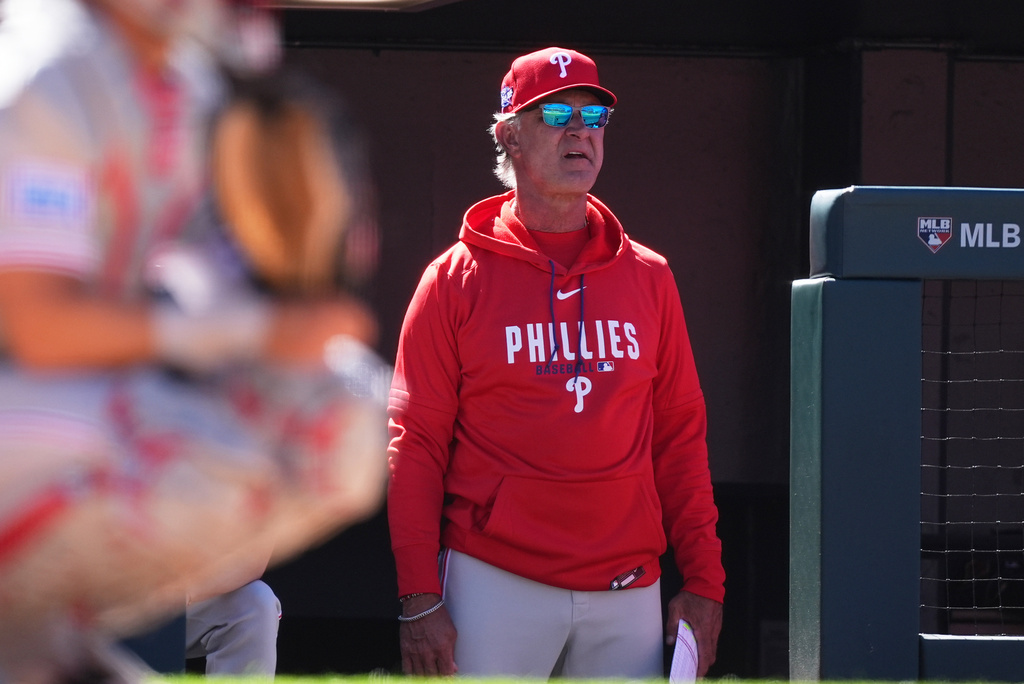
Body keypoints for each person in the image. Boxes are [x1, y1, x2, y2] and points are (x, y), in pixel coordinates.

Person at [0, 0, 388, 681]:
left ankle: (50, 639)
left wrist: (295, 279)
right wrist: (250, 328)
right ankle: (28, 643)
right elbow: (37, 326)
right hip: (27, 388)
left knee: (340, 412)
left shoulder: (193, 83)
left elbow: (203, 268)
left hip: (81, 391)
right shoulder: (41, 69)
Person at [387, 46, 725, 679]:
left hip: (626, 584)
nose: (580, 130)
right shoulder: (453, 281)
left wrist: (705, 581)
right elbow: (416, 446)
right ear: (509, 136)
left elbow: (681, 437)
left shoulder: (649, 277)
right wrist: (417, 598)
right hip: (494, 580)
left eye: (594, 114)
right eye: (557, 114)